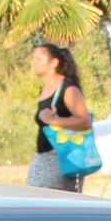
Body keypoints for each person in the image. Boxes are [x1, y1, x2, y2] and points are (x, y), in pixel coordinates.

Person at [27, 42, 92, 192]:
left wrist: (52, 120)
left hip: (62, 156)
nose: (34, 63)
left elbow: (84, 121)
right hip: (43, 155)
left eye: (39, 59)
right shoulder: (45, 89)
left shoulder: (68, 88)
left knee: (53, 203)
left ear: (54, 63)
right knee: (34, 199)